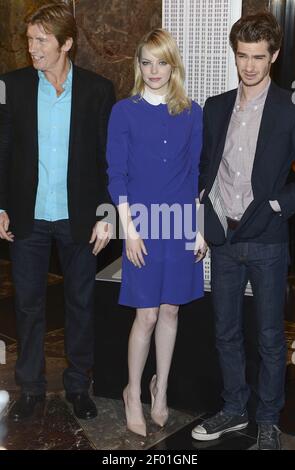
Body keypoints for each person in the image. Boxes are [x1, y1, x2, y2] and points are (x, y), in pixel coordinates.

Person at [0, 3, 115, 421]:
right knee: (28, 305)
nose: (32, 48)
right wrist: (0, 205)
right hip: (27, 217)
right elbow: (4, 150)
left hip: (80, 218)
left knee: (80, 304)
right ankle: (30, 386)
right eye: (29, 39)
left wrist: (108, 214)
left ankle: (78, 386)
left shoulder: (98, 90)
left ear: (66, 44)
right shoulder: (10, 85)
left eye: (41, 41)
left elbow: (109, 161)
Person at [191, 12, 295, 450]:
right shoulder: (215, 107)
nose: (249, 66)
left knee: (272, 338)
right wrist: (201, 223)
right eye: (242, 56)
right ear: (234, 56)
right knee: (225, 331)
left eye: (258, 56)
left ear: (273, 56)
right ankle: (234, 409)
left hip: (268, 241)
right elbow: (205, 171)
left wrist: (279, 204)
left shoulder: (290, 109)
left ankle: (268, 420)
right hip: (224, 238)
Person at [106, 28, 206, 437]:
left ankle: (159, 389)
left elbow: (195, 174)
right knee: (145, 314)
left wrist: (198, 231)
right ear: (138, 65)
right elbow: (118, 176)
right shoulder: (124, 112)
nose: (154, 70)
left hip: (180, 224)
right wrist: (128, 231)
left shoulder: (191, 112)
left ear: (173, 65)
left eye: (161, 62)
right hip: (142, 226)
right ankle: (133, 391)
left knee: (171, 310)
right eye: (146, 62)